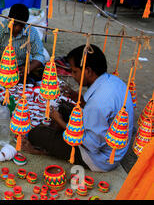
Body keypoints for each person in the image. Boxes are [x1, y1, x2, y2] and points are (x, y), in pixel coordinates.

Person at [23, 44, 134, 172]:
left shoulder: (98, 102)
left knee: (36, 134)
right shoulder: (111, 81)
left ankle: (46, 148)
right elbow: (100, 114)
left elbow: (91, 145)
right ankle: (58, 134)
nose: (72, 75)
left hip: (99, 158)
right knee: (64, 108)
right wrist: (78, 98)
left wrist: (60, 122)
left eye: (75, 71)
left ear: (88, 71)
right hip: (103, 137)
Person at [0, 3, 45, 85]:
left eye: (21, 25)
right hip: (1, 66)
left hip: (22, 67)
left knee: (42, 71)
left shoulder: (32, 32)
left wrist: (28, 68)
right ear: (9, 19)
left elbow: (39, 55)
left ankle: (24, 82)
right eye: (15, 24)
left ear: (25, 23)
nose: (17, 28)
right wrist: (7, 67)